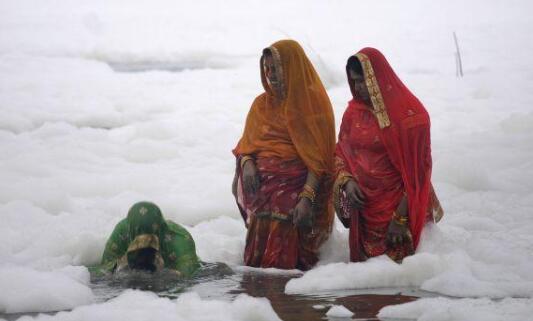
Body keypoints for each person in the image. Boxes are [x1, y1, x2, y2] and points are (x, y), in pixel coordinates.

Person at [232, 40, 336, 270]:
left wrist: (307, 197)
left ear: (291, 68)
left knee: (283, 206)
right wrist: (247, 163)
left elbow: (320, 159)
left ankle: (286, 283)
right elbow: (246, 145)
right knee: (260, 201)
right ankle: (259, 278)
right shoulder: (261, 105)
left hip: (299, 184)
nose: (271, 76)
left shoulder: (313, 106)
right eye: (267, 69)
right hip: (262, 183)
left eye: (276, 69)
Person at [334, 48, 443, 263]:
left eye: (363, 81)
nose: (358, 88)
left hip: (398, 210)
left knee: (401, 283)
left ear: (378, 78)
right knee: (365, 286)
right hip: (365, 211)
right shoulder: (353, 113)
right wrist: (346, 182)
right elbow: (341, 153)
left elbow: (418, 173)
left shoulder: (410, 117)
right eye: (354, 81)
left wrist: (401, 218)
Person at [99, 201, 201, 276]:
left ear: (160, 228)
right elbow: (105, 268)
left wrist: (163, 273)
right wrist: (124, 263)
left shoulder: (180, 239)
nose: (146, 242)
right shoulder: (122, 232)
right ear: (130, 228)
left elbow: (189, 276)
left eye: (151, 236)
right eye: (139, 234)